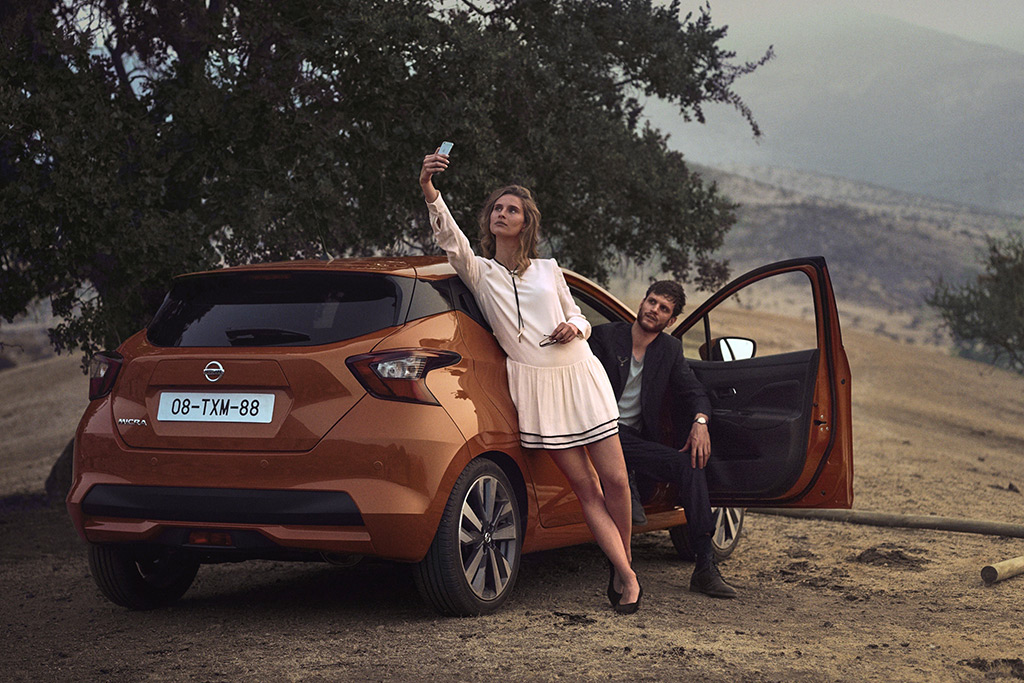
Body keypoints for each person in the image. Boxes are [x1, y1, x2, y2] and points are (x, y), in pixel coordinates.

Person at [419, 147, 642, 613]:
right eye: (497, 209)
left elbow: (579, 316)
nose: (502, 214)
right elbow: (450, 238)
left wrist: (575, 327)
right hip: (538, 389)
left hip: (580, 374)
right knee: (587, 489)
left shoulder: (548, 269)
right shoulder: (481, 273)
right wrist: (428, 188)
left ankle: (622, 564)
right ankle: (626, 575)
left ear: (526, 223)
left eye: (512, 210)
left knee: (618, 482)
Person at [588, 281, 738, 598]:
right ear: (642, 302)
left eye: (664, 309)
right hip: (598, 431)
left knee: (690, 464)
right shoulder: (605, 336)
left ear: (671, 321)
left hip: (634, 442)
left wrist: (700, 422)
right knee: (619, 440)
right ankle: (626, 484)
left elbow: (694, 391)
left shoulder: (669, 350)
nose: (654, 310)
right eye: (652, 302)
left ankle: (705, 566)